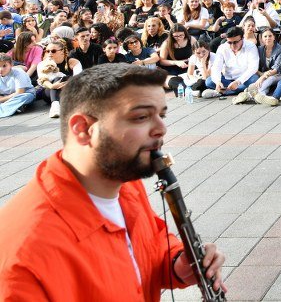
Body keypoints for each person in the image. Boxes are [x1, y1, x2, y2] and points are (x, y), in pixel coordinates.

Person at [0, 64, 226, 299]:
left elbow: (145, 247)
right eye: (141, 117)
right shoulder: (25, 254)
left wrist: (176, 265)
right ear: (84, 128)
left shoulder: (124, 180)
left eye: (162, 115)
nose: (162, 128)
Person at [0, 53, 35, 117]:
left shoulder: (18, 73)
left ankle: (3, 109)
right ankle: (15, 108)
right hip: (6, 97)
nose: (1, 69)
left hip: (23, 94)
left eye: (4, 66)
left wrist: (3, 99)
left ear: (11, 65)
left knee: (25, 96)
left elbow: (20, 92)